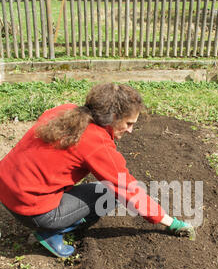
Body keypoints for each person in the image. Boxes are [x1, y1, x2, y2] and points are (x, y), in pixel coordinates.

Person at [0, 83, 195, 258]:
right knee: (108, 194)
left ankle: (49, 217)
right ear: (113, 117)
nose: (130, 131)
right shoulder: (96, 143)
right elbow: (128, 190)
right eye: (129, 123)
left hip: (7, 190)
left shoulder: (66, 111)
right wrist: (172, 223)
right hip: (32, 209)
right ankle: (50, 232)